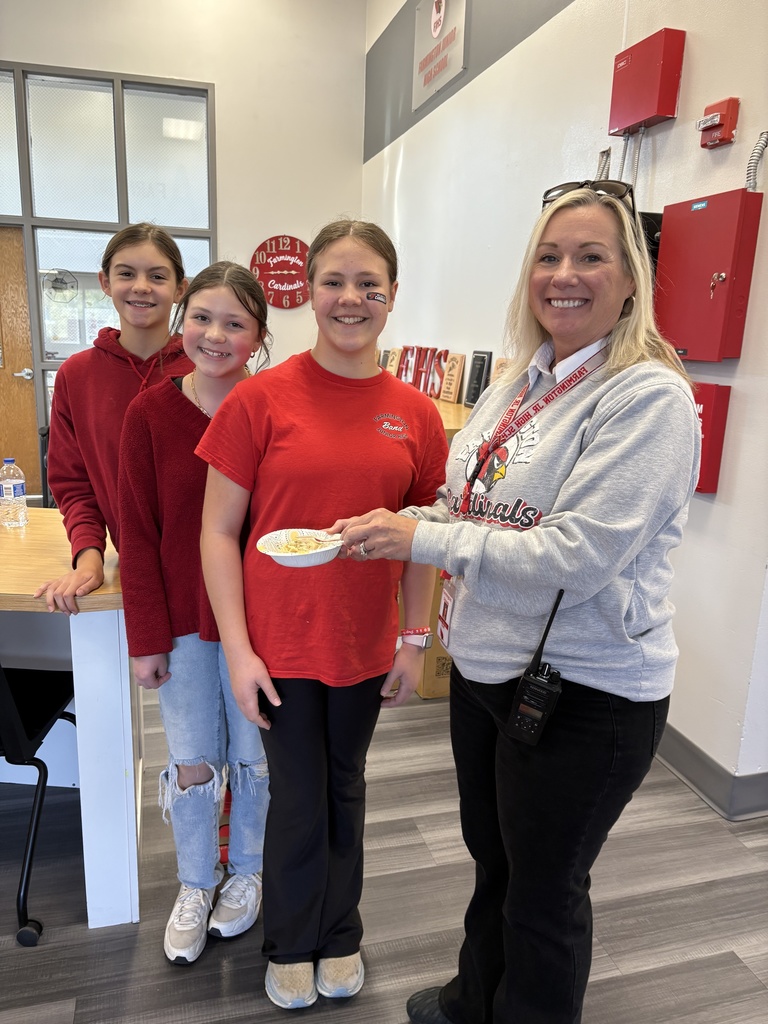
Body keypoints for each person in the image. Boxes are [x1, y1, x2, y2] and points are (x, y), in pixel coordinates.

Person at [335, 182, 702, 1024]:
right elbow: (472, 505)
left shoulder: (646, 397)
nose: (564, 274)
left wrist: (421, 542)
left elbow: (577, 554)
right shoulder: (520, 381)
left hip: (589, 692)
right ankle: (477, 1000)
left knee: (544, 890)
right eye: (548, 256)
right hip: (489, 668)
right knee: (494, 862)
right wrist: (407, 518)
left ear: (631, 280)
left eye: (590, 257)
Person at [196, 220, 449, 1010]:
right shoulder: (259, 401)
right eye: (334, 281)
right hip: (280, 644)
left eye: (369, 284)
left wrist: (414, 642)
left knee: (347, 787)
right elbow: (218, 531)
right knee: (297, 794)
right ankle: (290, 942)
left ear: (392, 296)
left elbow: (423, 542)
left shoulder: (418, 413)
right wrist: (238, 652)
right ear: (306, 291)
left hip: (366, 642)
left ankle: (341, 935)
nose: (351, 299)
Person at [117, 261, 272, 965]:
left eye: (234, 322)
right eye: (203, 317)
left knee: (254, 756)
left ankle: (246, 875)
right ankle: (195, 881)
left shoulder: (273, 407)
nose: (215, 335)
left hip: (261, 625)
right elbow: (138, 533)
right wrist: (146, 639)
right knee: (192, 762)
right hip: (181, 623)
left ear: (258, 337)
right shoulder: (149, 414)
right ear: (182, 320)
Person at [35, 223, 191, 613]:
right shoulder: (77, 374)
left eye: (157, 276)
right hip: (134, 572)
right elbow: (73, 482)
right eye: (126, 273)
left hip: (212, 571)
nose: (141, 286)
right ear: (105, 282)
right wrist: (89, 555)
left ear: (180, 289)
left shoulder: (207, 367)